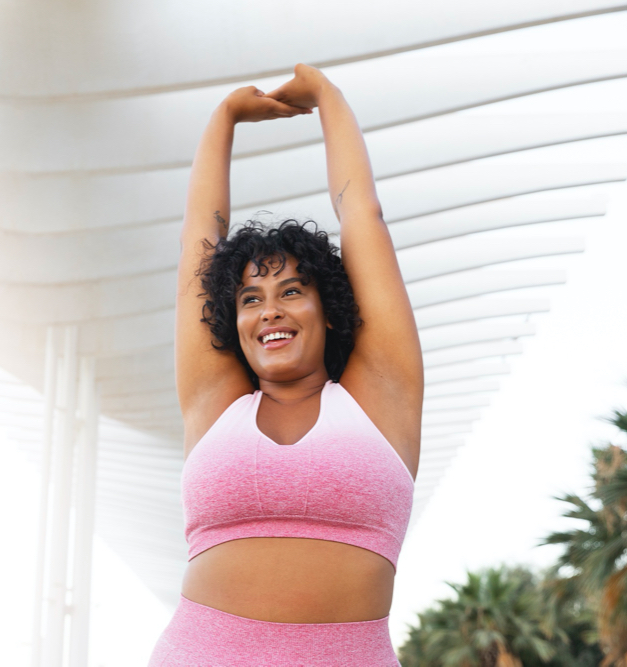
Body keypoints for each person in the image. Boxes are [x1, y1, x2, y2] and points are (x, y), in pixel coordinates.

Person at [148, 64, 423, 665]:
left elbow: (363, 219)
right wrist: (223, 120)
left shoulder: (381, 395)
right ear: (234, 321)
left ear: (331, 310)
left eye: (292, 291)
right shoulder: (215, 402)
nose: (269, 311)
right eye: (250, 298)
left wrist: (327, 97)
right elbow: (200, 238)